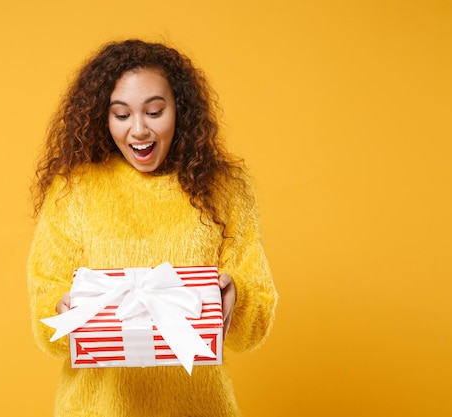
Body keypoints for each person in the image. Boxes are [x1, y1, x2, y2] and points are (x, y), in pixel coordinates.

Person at [27, 39, 278, 417]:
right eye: (122, 115)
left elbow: (255, 315)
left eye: (155, 111)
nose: (139, 130)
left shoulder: (226, 189)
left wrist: (235, 296)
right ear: (103, 117)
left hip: (199, 406)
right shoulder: (73, 190)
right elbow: (46, 304)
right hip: (97, 408)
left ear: (180, 110)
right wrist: (63, 310)